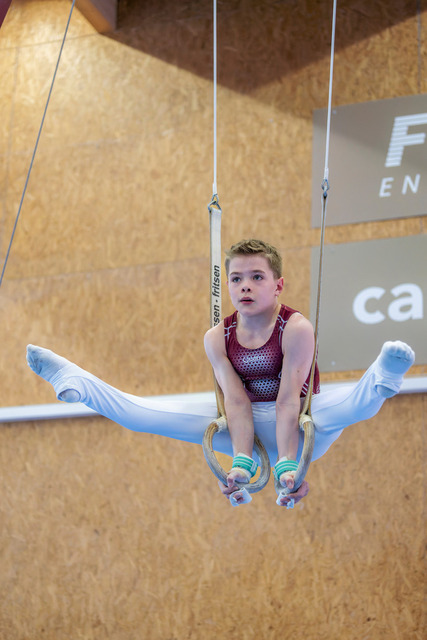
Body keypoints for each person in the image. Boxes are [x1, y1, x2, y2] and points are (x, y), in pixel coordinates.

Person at [26, 239, 415, 508]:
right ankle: (76, 381)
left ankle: (382, 376)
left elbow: (287, 401)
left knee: (351, 406)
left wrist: (289, 464)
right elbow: (237, 402)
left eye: (257, 277)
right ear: (227, 284)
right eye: (236, 278)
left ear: (278, 285)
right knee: (141, 415)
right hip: (241, 421)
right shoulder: (217, 337)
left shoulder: (295, 328)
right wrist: (242, 459)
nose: (245, 286)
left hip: (300, 419)